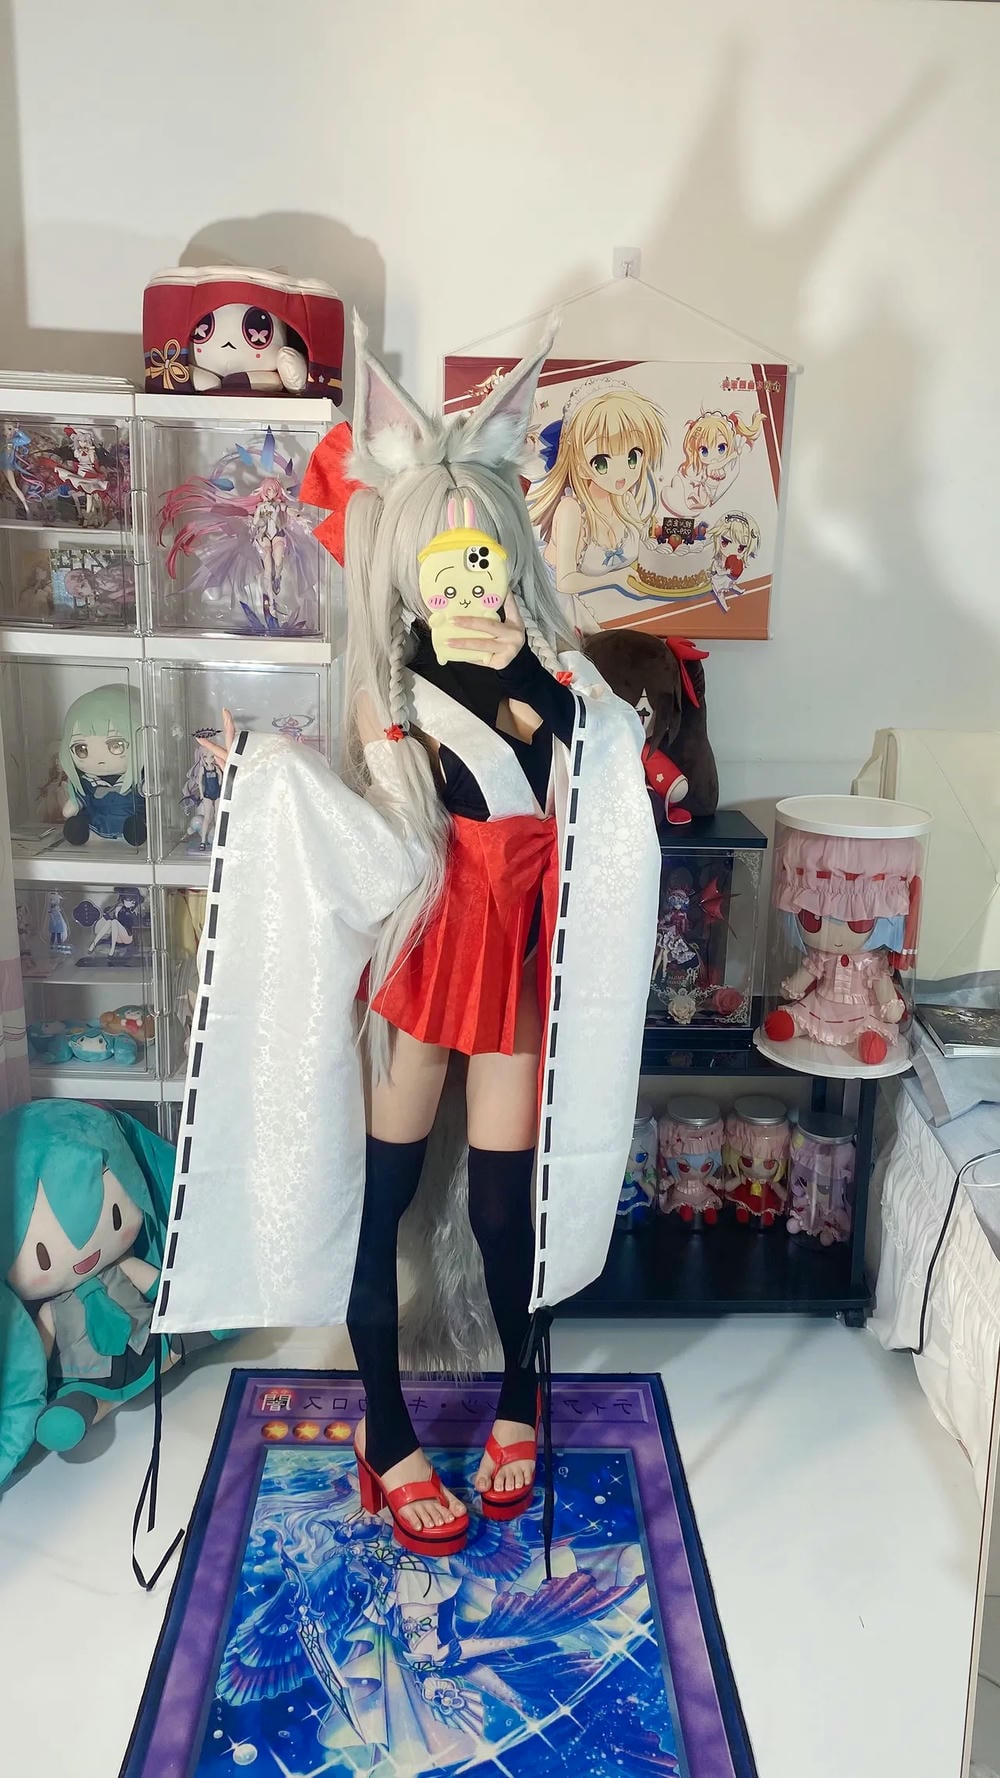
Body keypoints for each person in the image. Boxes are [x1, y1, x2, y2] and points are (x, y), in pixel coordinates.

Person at [152, 319, 660, 1562]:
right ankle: (384, 1430)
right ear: (410, 562)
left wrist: (560, 692)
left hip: (522, 957)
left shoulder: (555, 672)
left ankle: (519, 1397)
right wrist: (264, 771)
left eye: (479, 551)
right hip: (428, 947)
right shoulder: (391, 684)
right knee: (376, 1197)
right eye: (443, 556)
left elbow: (601, 794)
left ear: (507, 551)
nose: (463, 575)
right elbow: (376, 834)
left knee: (503, 1205)